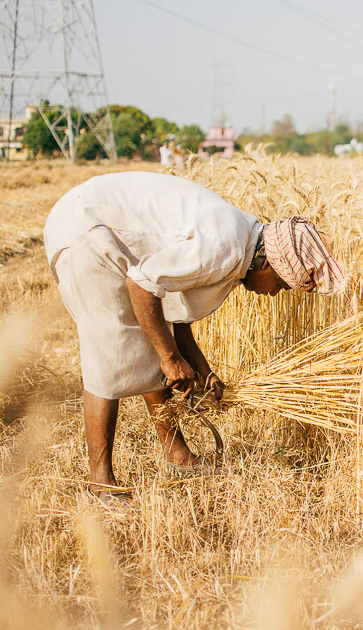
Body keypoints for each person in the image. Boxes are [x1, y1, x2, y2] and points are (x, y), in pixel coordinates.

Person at [43, 171, 347, 509]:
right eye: (282, 285)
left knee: (153, 340)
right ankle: (101, 483)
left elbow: (174, 313)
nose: (276, 294)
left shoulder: (240, 243)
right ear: (270, 266)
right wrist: (170, 358)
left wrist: (204, 372)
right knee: (110, 349)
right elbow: (142, 285)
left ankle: (178, 454)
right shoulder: (223, 248)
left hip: (97, 223)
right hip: (84, 232)